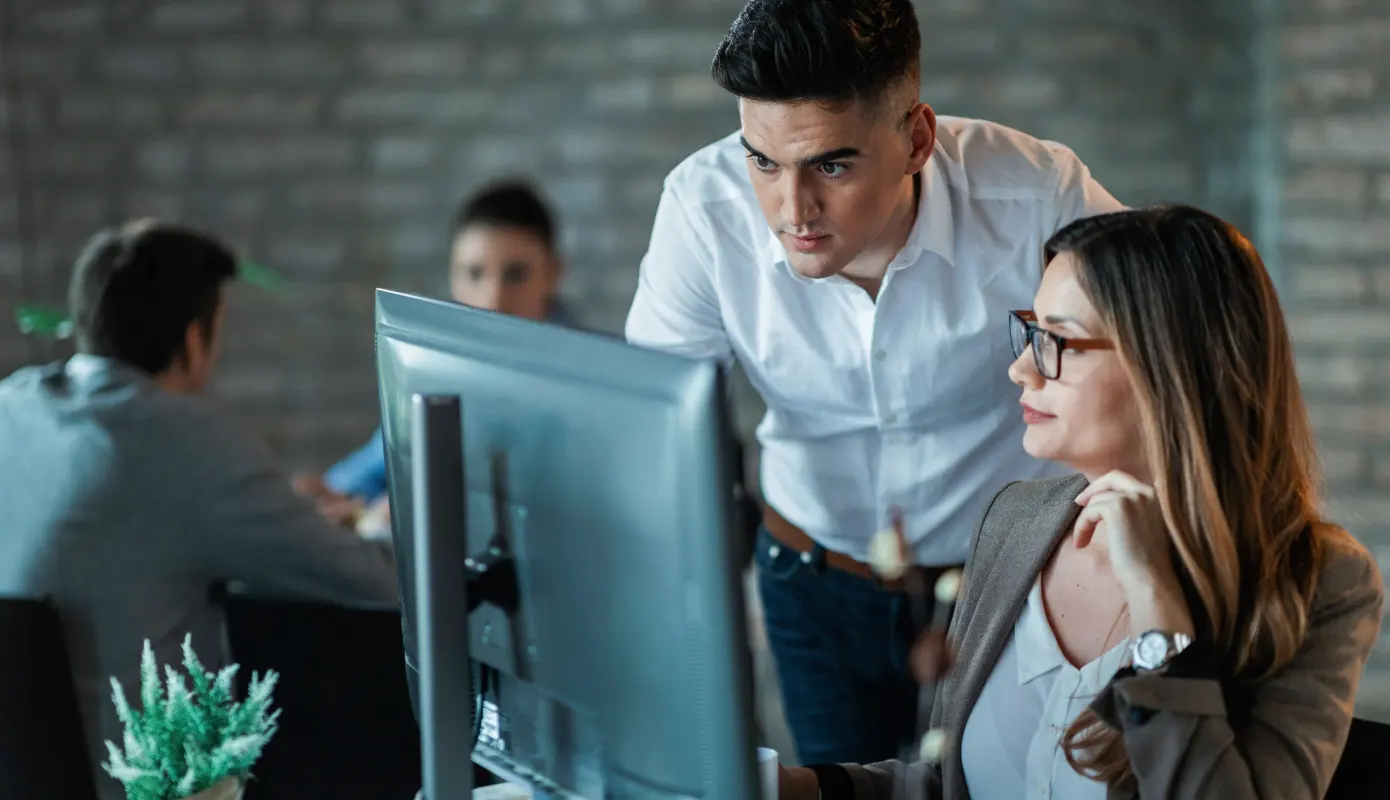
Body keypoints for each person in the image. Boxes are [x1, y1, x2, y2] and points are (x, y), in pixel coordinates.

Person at [624, 0, 1123, 765]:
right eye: (762, 161)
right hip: (810, 577)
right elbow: (649, 432)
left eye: (831, 164)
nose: (793, 211)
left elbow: (1161, 356)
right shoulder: (701, 211)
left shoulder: (1037, 197)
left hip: (1009, 585)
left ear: (916, 138)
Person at [777, 205, 1385, 799]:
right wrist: (806, 787)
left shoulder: (1320, 582)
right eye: (1030, 330)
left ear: (1166, 365)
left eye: (1055, 340)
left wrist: (1157, 610)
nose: (1021, 368)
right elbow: (951, 782)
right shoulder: (1018, 520)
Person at [0, 220, 400, 800]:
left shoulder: (14, 407)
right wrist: (383, 526)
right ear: (194, 339)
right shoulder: (181, 441)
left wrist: (280, 511)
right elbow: (378, 581)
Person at [295, 180, 575, 515]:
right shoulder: (439, 369)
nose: (493, 299)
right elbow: (375, 466)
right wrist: (333, 498)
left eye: (515, 275)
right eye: (473, 274)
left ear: (554, 273)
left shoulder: (591, 378)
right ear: (452, 276)